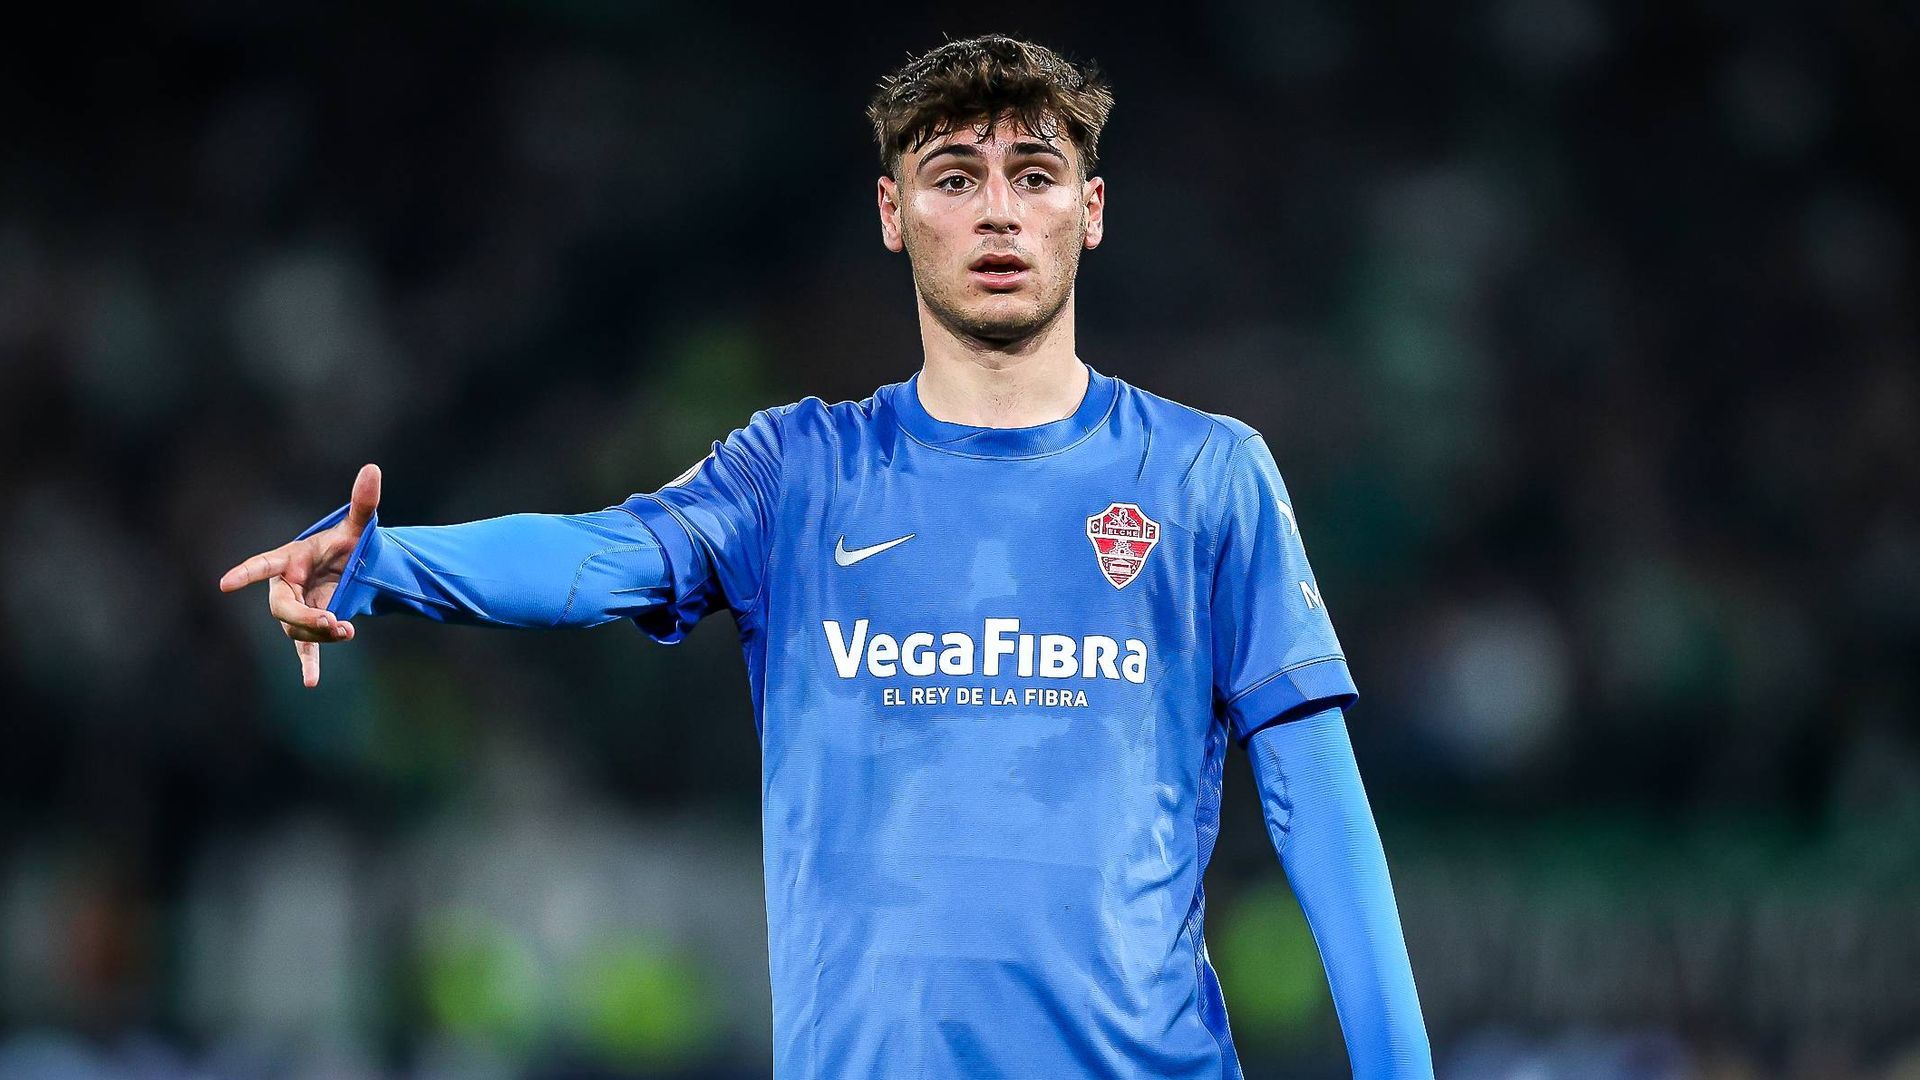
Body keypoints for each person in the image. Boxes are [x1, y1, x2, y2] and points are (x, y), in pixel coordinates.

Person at [218, 33, 1433, 1080]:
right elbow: (601, 558)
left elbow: (1320, 810)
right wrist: (383, 565)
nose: (999, 210)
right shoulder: (798, 473)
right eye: (955, 176)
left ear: (1093, 210)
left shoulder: (1204, 475)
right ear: (893, 213)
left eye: (1036, 173)